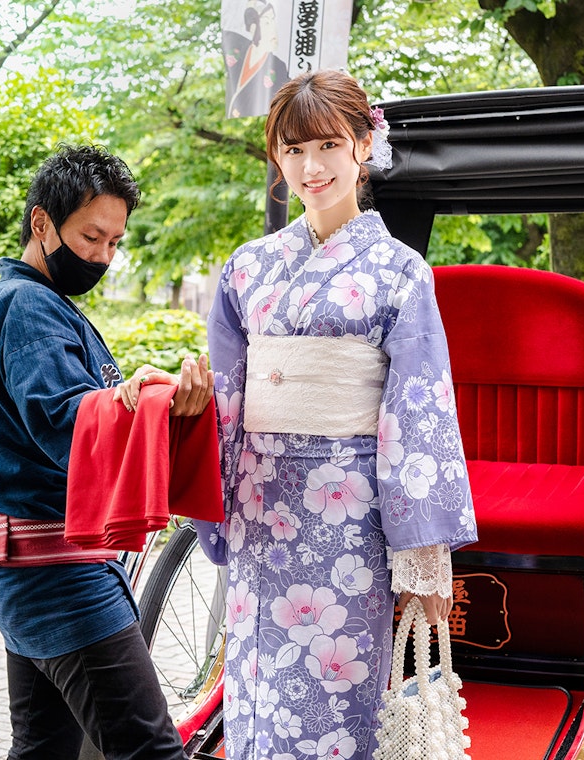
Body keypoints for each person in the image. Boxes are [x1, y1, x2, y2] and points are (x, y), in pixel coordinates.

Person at [193, 70, 477, 760]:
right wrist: (208, 481)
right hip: (261, 504)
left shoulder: (400, 270)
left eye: (327, 145)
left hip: (347, 515)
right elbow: (228, 397)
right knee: (254, 688)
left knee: (335, 697)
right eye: (293, 151)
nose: (311, 167)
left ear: (362, 146)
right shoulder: (248, 267)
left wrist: (421, 557)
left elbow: (417, 411)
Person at [0, 144, 212, 760]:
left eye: (114, 243)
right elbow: (66, 424)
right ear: (41, 222)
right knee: (149, 752)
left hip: (31, 565)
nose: (101, 256)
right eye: (91, 236)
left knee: (46, 751)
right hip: (59, 572)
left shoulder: (24, 304)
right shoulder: (29, 307)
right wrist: (151, 397)